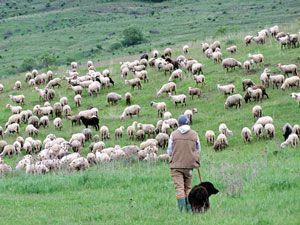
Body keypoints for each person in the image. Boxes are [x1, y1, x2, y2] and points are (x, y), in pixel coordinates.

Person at [167, 114, 201, 212]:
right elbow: (198, 150)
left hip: (176, 166)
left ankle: (182, 210)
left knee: (179, 187)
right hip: (189, 166)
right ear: (188, 122)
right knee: (188, 187)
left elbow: (169, 151)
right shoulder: (194, 134)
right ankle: (189, 209)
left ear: (178, 124)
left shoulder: (173, 134)